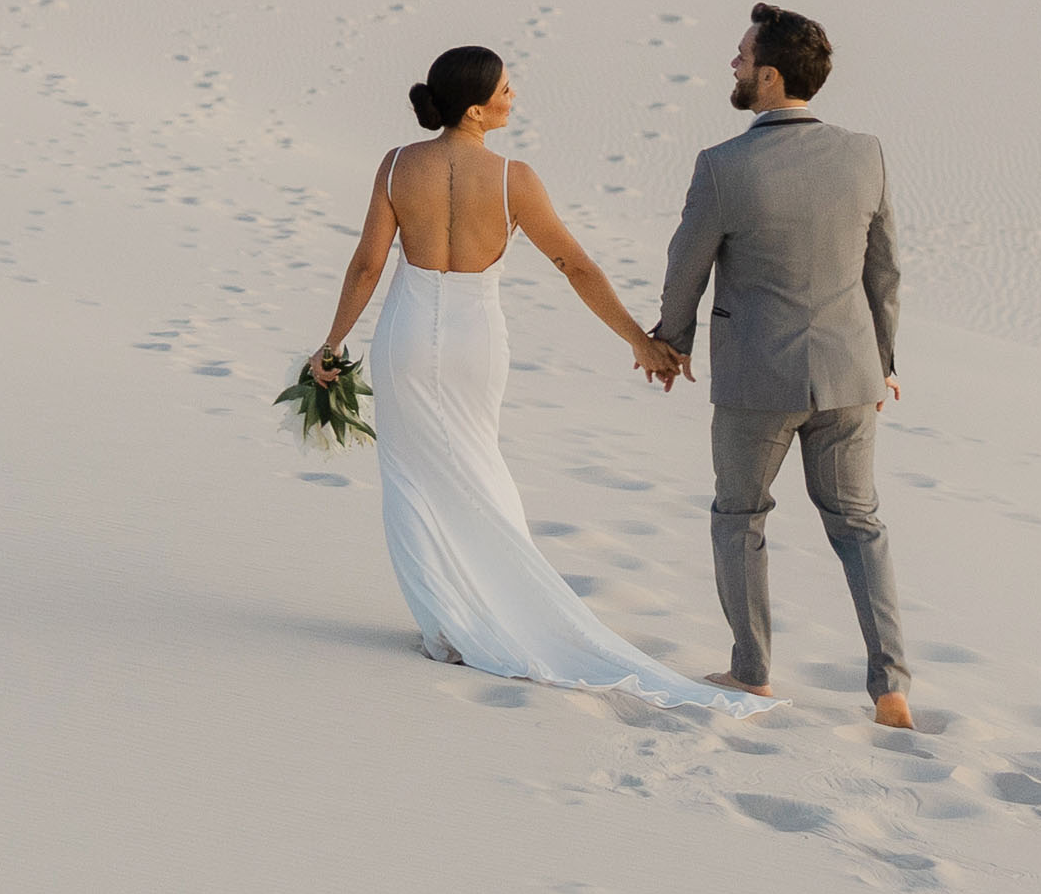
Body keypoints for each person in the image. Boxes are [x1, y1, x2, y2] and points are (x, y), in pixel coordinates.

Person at [305, 48, 753, 707]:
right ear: (475, 107)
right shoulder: (514, 178)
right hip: (475, 338)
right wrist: (640, 341)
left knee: (409, 476)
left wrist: (331, 344)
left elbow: (368, 265)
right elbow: (574, 264)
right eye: (506, 89)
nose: (514, 97)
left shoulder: (399, 164)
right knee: (478, 461)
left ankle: (443, 627)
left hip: (403, 330)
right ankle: (499, 603)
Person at [651, 2, 913, 727]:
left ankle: (751, 670)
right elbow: (884, 272)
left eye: (739, 56)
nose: (730, 65)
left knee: (738, 517)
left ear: (768, 75)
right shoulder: (866, 153)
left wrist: (668, 341)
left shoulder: (723, 165)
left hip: (755, 381)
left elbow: (685, 268)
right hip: (850, 374)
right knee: (859, 524)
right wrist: (882, 360)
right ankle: (890, 686)